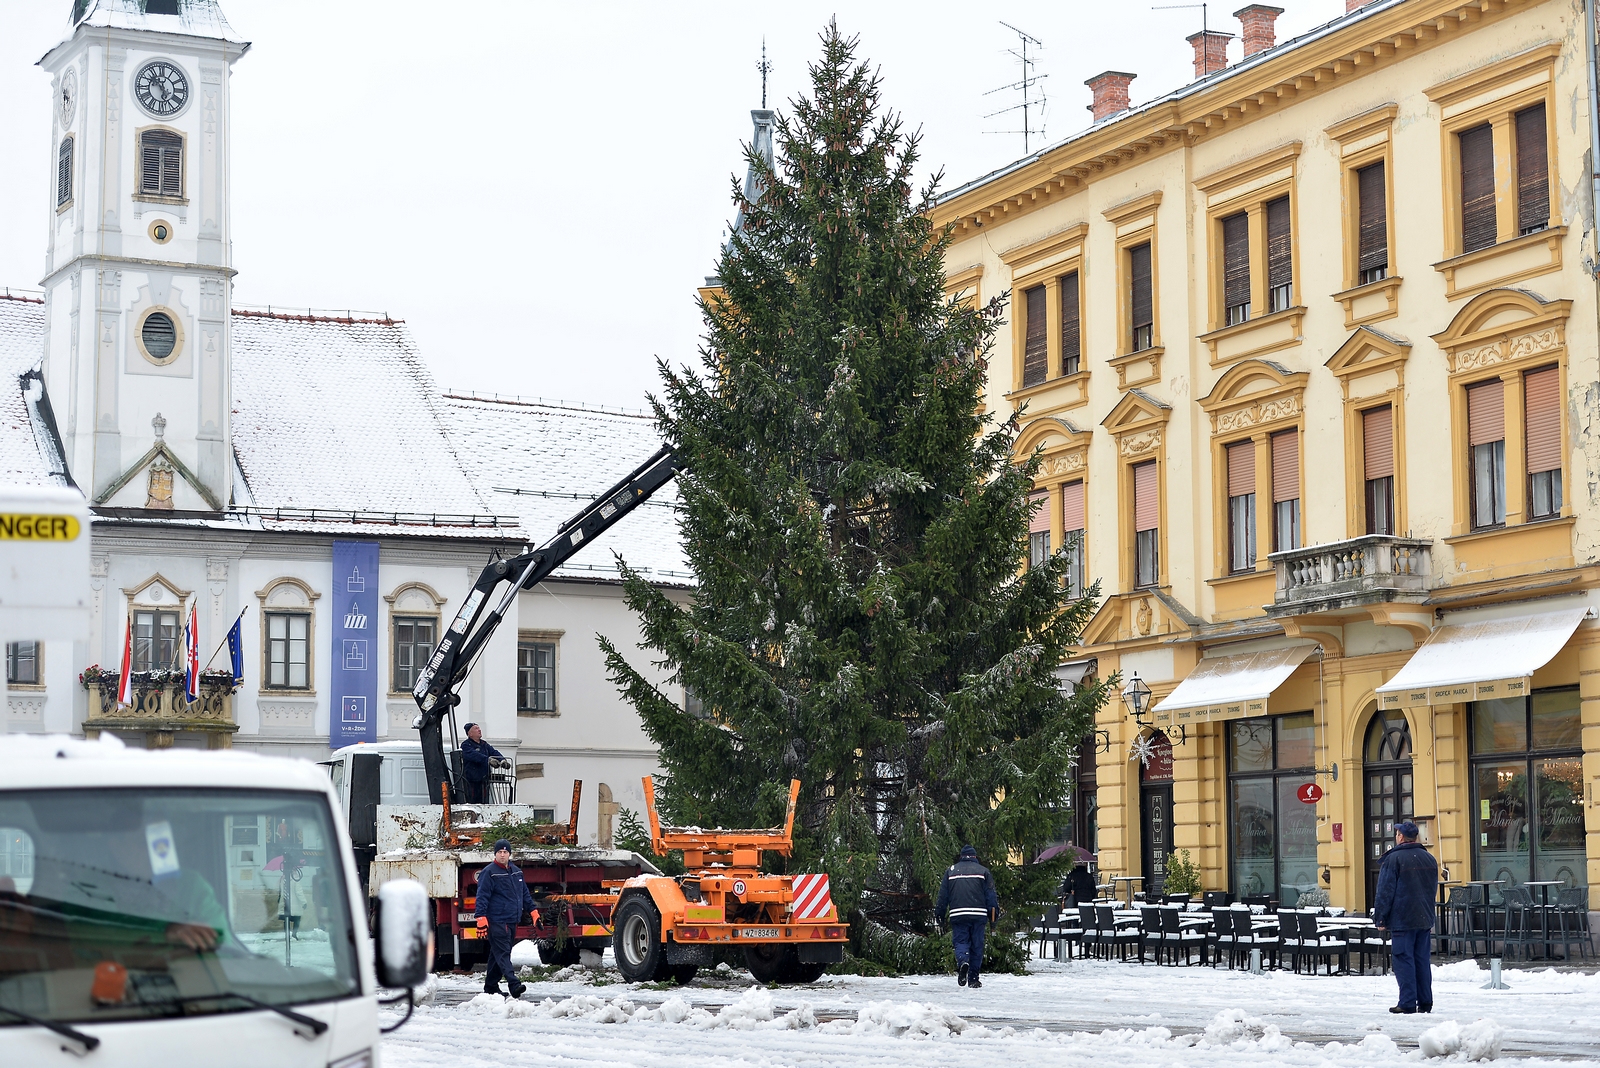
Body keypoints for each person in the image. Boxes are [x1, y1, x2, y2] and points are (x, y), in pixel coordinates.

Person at [1373, 820, 1438, 1014]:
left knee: (1403, 959)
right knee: (1421, 960)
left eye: (1397, 833)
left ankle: (1408, 1002)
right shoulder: (1429, 858)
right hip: (1424, 918)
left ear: (1400, 837)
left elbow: (1385, 891)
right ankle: (1425, 1002)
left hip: (1402, 919)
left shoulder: (1394, 859)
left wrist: (1380, 918)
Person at [474, 838, 535, 998]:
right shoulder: (489, 872)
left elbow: (525, 894)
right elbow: (482, 896)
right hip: (496, 920)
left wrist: (533, 911)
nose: (502, 855)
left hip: (512, 919)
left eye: (505, 852)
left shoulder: (516, 872)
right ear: (495, 854)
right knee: (503, 953)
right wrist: (480, 917)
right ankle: (513, 984)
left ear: (509, 854)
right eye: (499, 852)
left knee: (497, 953)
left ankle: (490, 987)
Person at [934, 844, 998, 988]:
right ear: (975, 857)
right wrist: (993, 918)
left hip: (958, 913)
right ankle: (973, 979)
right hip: (979, 914)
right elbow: (991, 897)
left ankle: (963, 961)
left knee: (961, 942)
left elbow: (943, 896)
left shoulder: (951, 871)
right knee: (977, 946)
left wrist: (939, 914)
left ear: (961, 857)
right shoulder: (983, 872)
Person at [459, 722, 505, 804]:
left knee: (484, 802)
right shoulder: (466, 745)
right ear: (470, 733)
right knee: (472, 803)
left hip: (484, 781)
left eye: (479, 728)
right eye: (476, 728)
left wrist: (502, 760)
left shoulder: (484, 744)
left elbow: (493, 752)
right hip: (472, 782)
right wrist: (488, 760)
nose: (479, 730)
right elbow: (474, 755)